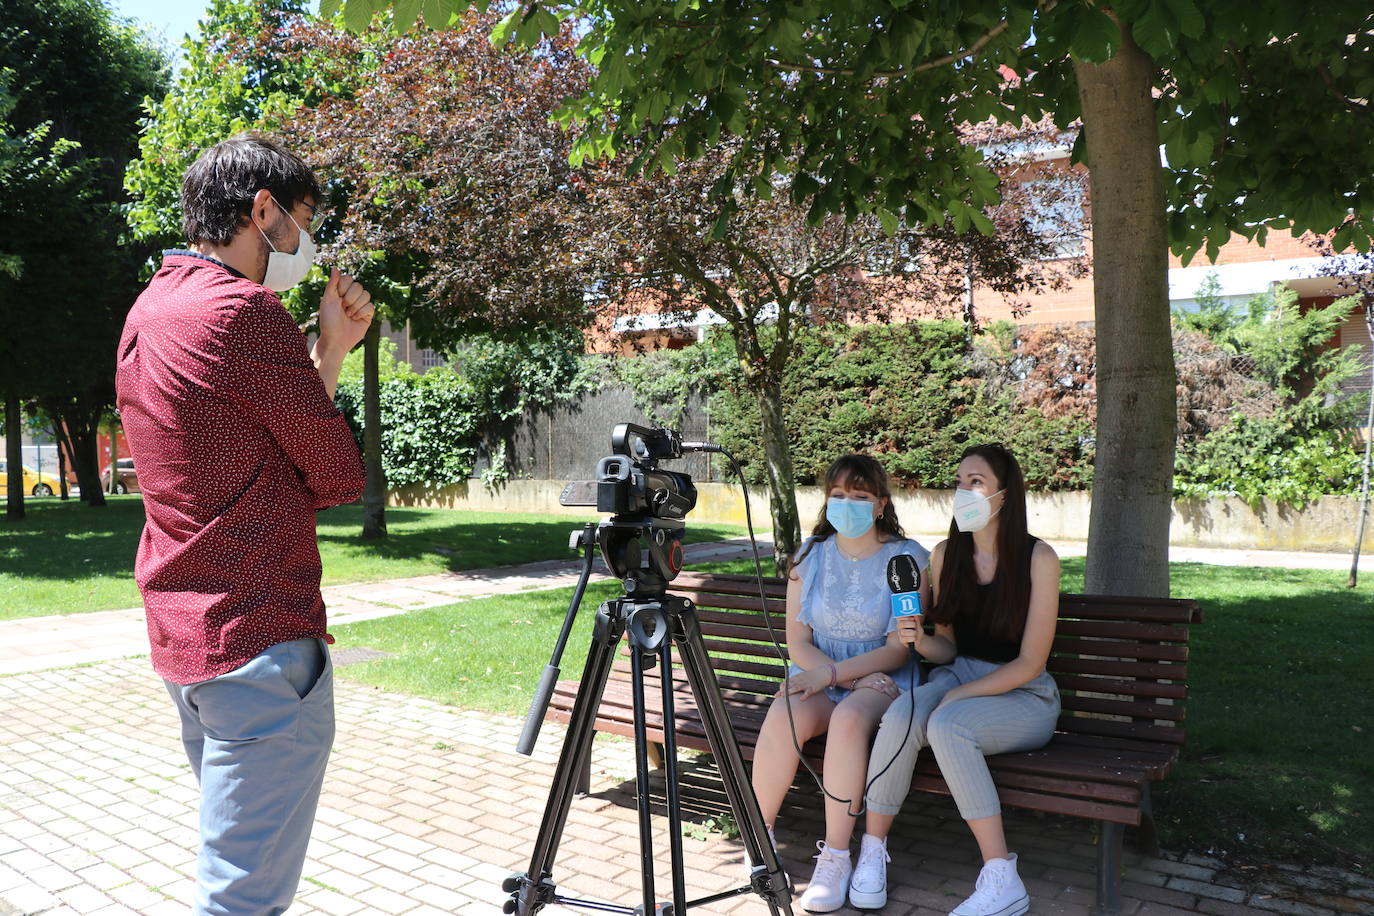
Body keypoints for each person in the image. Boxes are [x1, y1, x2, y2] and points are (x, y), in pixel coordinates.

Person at [115, 134, 374, 916]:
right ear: (260, 211)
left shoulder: (153, 306)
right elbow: (334, 475)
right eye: (299, 223)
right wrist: (330, 347)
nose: (303, 245)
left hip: (188, 643)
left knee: (235, 874)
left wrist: (321, 355)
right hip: (258, 639)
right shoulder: (245, 312)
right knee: (240, 900)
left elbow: (232, 452)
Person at [858, 444, 1060, 915]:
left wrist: (957, 697)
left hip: (1025, 696)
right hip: (959, 676)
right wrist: (919, 640)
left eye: (977, 482)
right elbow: (946, 647)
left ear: (1004, 497)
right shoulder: (947, 555)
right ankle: (871, 851)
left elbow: (1030, 663)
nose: (963, 491)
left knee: (949, 726)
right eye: (959, 481)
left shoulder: (1039, 559)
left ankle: (1001, 876)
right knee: (904, 712)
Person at [749, 454, 931, 913]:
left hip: (882, 679)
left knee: (850, 720)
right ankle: (759, 842)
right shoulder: (809, 556)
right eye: (838, 495)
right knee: (784, 711)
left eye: (860, 496)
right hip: (822, 674)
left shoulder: (906, 560)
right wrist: (831, 676)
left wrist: (837, 679)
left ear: (880, 505)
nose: (847, 503)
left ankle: (835, 857)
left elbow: (898, 647)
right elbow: (798, 640)